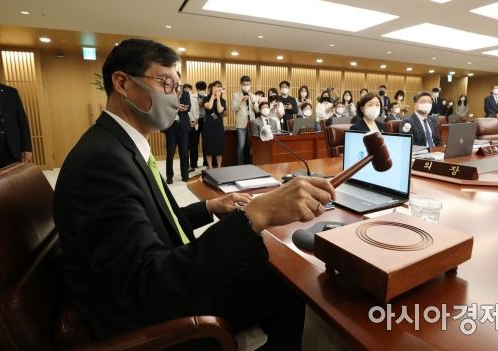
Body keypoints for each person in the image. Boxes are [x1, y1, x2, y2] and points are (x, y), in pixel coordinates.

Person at [53, 39, 336, 351]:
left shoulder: (119, 145)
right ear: (122, 83)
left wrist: (208, 207)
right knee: (286, 284)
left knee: (268, 268)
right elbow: (147, 286)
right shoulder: (102, 163)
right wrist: (257, 214)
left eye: (179, 87)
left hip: (160, 290)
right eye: (166, 83)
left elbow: (148, 224)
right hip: (156, 320)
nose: (176, 98)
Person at [0, 57, 32, 169]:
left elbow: (22, 121)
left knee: (13, 183)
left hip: (12, 150)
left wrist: (27, 147)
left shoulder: (11, 92)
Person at [162, 74, 190, 184]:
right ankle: (169, 176)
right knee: (170, 153)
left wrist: (176, 106)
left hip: (183, 126)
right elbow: (167, 108)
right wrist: (178, 106)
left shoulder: (186, 93)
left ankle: (185, 175)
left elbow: (187, 108)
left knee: (184, 153)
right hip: (171, 127)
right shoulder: (167, 93)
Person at [233, 76, 258, 165]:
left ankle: (252, 163)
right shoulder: (236, 95)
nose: (246, 86)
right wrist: (240, 101)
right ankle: (240, 165)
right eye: (244, 84)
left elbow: (257, 110)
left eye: (248, 84)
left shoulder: (253, 96)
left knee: (252, 144)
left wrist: (254, 102)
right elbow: (234, 109)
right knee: (241, 145)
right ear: (241, 84)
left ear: (250, 84)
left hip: (252, 123)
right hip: (241, 124)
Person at [203, 80, 226, 168]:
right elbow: (209, 107)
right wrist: (213, 95)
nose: (218, 88)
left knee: (219, 147)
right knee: (208, 147)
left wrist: (219, 98)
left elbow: (220, 110)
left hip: (218, 126)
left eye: (219, 86)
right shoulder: (206, 98)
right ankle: (210, 167)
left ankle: (219, 167)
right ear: (211, 88)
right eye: (216, 86)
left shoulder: (222, 100)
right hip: (208, 126)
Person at [184, 83, 200, 172]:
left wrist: (195, 122)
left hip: (193, 124)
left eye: (188, 89)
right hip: (185, 125)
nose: (187, 90)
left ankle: (193, 164)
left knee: (193, 146)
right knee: (185, 147)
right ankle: (186, 165)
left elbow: (197, 112)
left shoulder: (194, 99)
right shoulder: (181, 98)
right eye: (185, 89)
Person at [195, 81, 207, 167]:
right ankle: (194, 162)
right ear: (197, 89)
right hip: (196, 120)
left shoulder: (207, 97)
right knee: (194, 142)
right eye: (200, 89)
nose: (201, 91)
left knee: (205, 142)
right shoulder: (192, 97)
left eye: (203, 89)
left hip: (205, 120)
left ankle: (205, 161)